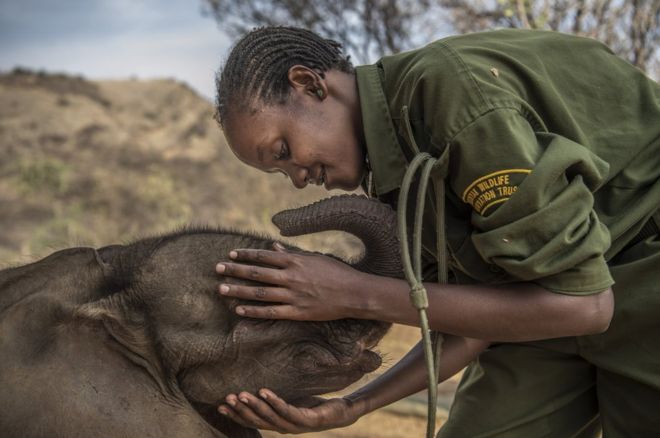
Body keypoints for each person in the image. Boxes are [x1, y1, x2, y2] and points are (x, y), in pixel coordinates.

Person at [212, 26, 660, 436]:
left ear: (310, 85)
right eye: (278, 171)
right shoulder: (394, 172)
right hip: (550, 301)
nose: (296, 178)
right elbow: (474, 319)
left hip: (641, 268)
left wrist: (353, 293)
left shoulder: (450, 98)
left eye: (284, 150)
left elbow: (586, 305)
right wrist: (354, 406)